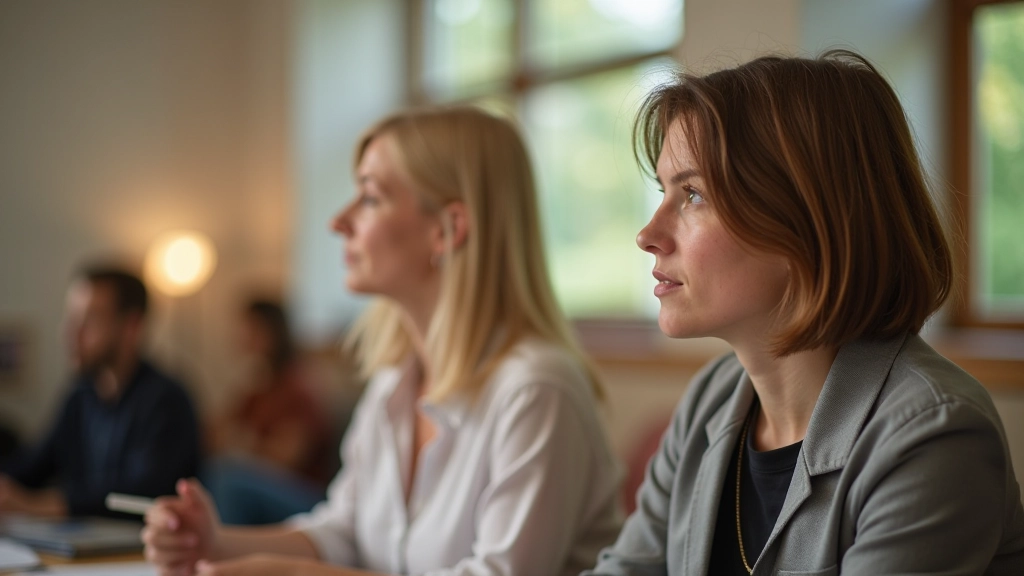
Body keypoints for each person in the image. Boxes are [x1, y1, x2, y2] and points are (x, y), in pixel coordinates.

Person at [584, 50, 1024, 575]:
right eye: (664, 192)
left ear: (808, 218)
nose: (647, 235)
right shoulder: (710, 400)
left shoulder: (932, 435)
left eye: (694, 194)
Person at [142, 106, 624, 576]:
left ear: (448, 230)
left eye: (370, 198)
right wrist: (214, 542)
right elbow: (343, 533)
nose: (338, 221)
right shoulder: (394, 383)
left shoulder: (537, 389)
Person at [0, 266, 201, 519]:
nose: (71, 333)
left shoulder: (167, 400)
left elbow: (144, 492)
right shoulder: (81, 395)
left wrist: (44, 505)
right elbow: (32, 466)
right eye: (71, 319)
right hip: (83, 535)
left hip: (139, 541)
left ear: (131, 326)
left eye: (90, 320)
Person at [204, 299, 333, 524]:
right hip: (264, 483)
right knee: (211, 471)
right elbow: (213, 435)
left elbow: (286, 459)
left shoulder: (297, 386)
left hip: (305, 495)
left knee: (228, 479)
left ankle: (222, 544)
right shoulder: (258, 386)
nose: (242, 337)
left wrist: (243, 444)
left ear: (272, 333)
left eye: (251, 329)